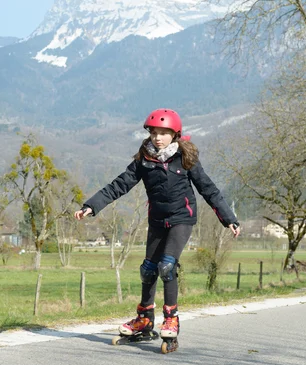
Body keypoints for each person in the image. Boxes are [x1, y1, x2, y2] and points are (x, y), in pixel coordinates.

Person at [74, 108, 240, 345]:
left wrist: (229, 219)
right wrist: (91, 206)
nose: (158, 138)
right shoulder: (144, 160)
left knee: (167, 266)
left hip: (182, 218)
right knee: (148, 268)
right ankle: (145, 318)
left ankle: (171, 318)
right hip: (157, 220)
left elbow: (208, 189)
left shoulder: (185, 158)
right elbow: (118, 185)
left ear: (175, 134)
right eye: (154, 133)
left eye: (164, 133)